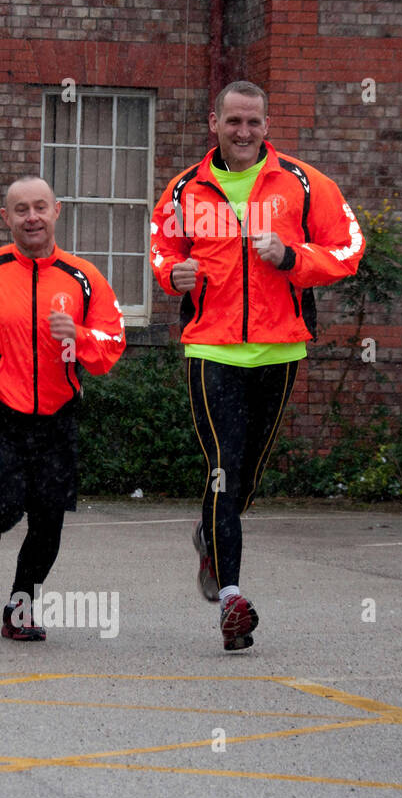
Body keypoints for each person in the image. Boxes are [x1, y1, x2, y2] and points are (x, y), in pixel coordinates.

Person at [150, 80, 363, 651]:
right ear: (213, 123)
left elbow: (348, 248)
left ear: (266, 126)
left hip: (280, 349)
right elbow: (163, 248)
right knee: (223, 466)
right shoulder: (184, 188)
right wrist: (172, 274)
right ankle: (232, 600)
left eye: (252, 122)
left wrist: (293, 257)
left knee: (244, 479)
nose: (242, 132)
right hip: (211, 349)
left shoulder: (303, 183)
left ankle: (209, 536)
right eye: (233, 121)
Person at [0, 175, 125, 640]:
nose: (32, 217)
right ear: (6, 218)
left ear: (57, 211)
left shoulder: (84, 277)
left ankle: (20, 609)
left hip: (58, 418)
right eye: (21, 210)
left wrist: (79, 336)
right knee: (4, 505)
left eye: (40, 207)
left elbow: (113, 341)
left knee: (48, 524)